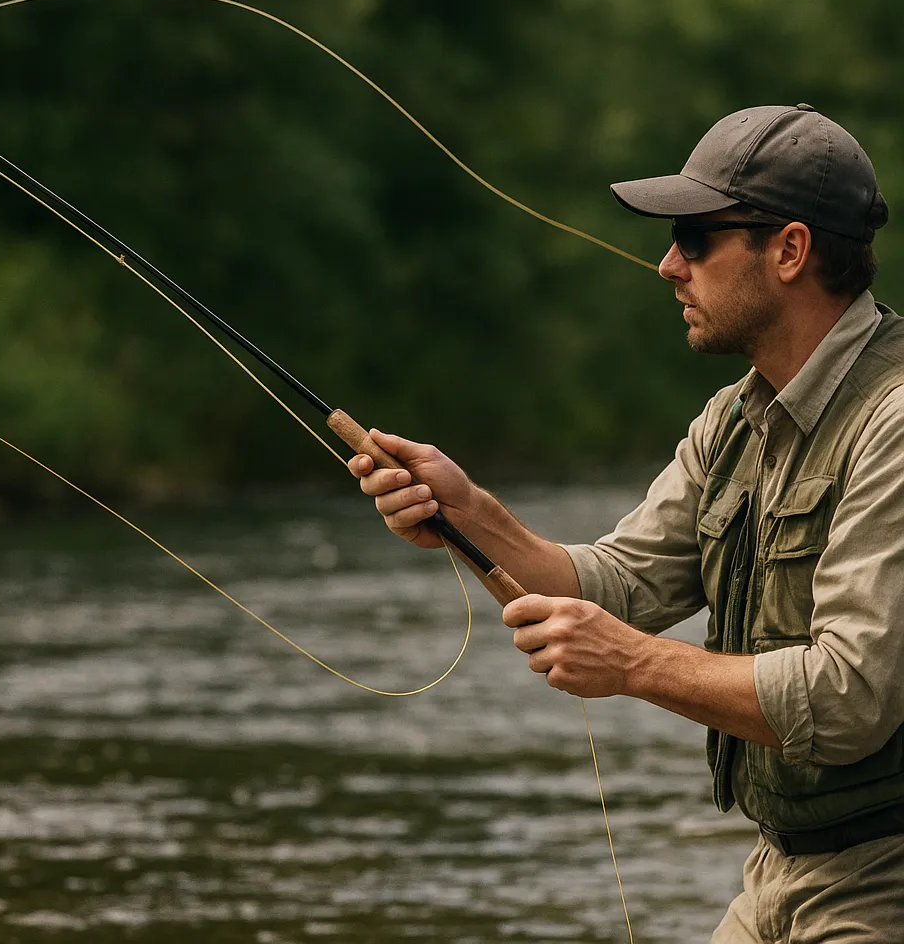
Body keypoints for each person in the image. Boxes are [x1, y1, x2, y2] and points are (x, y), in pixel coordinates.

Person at [349, 103, 902, 943]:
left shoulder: (894, 422)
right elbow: (620, 585)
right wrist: (468, 514)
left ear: (789, 250)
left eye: (694, 236)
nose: (666, 264)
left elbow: (850, 698)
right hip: (780, 869)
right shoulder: (732, 423)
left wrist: (634, 664)